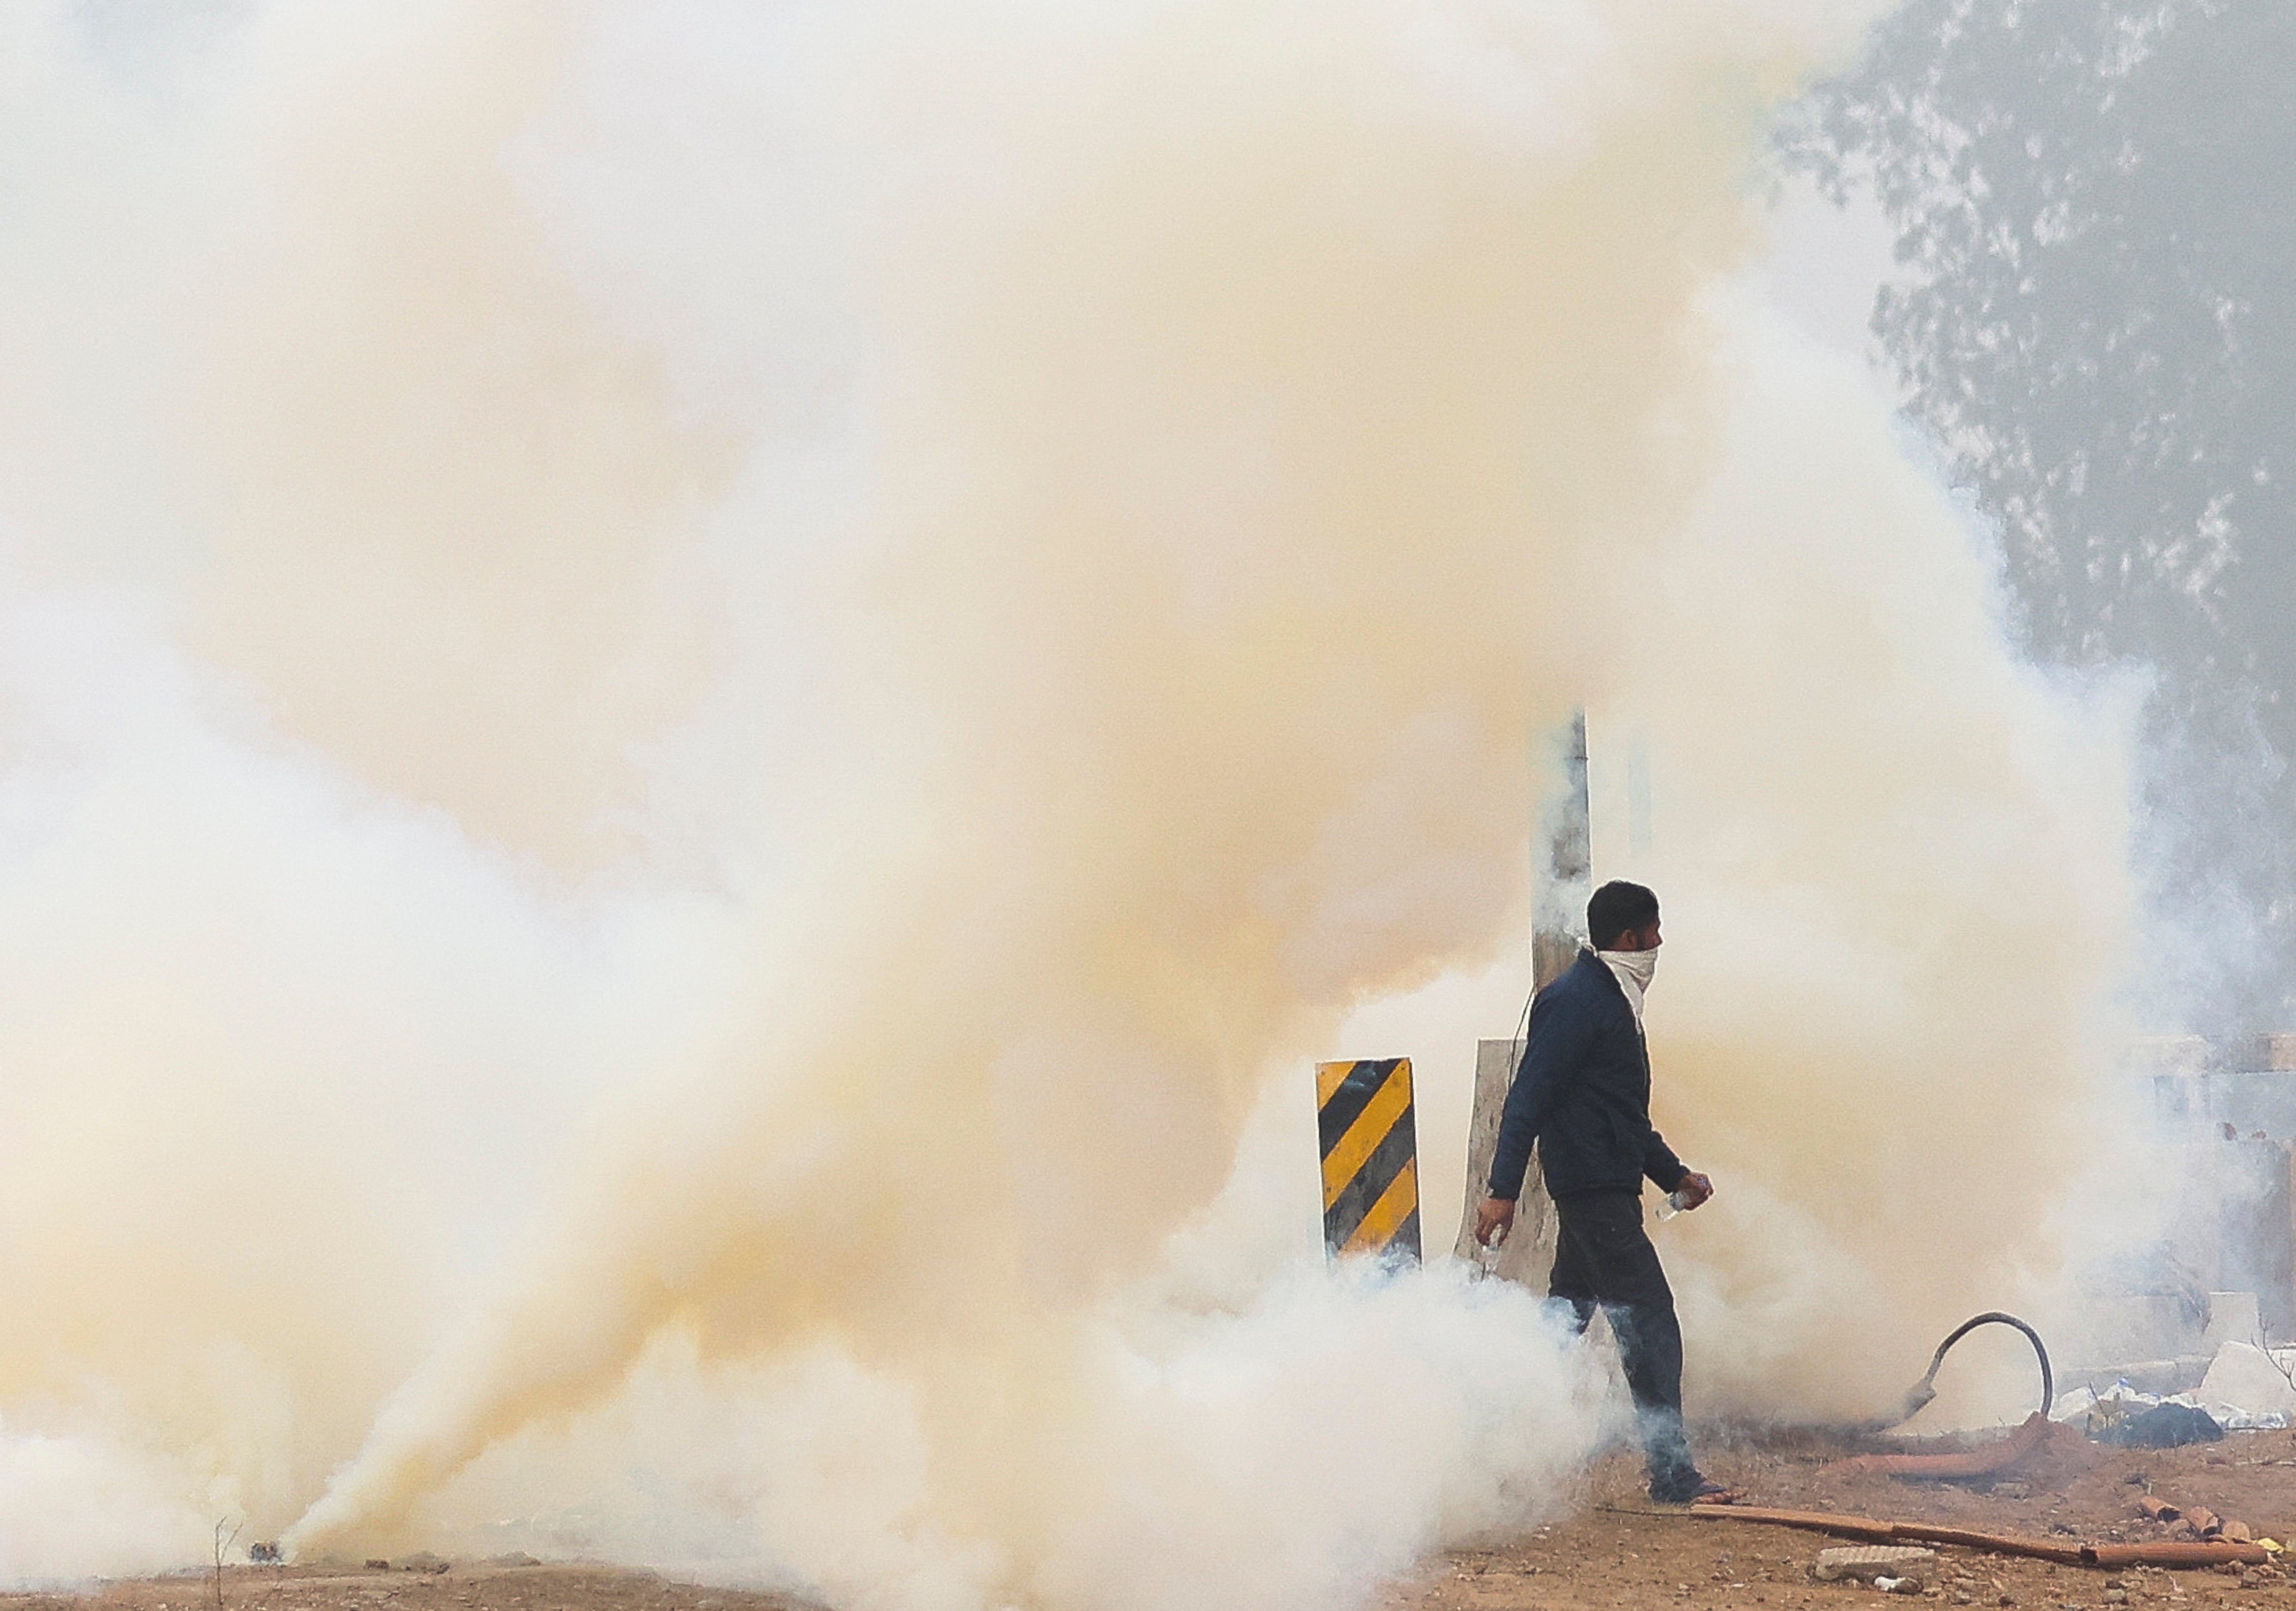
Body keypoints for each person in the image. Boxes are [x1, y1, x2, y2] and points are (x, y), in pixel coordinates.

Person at [1472, 879, 1733, 1505]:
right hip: (1591, 1194)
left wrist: (1674, 1178)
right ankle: (1672, 1476)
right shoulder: (1579, 1001)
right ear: (1629, 938)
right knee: (1651, 1322)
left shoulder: (1612, 1002)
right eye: (1654, 932)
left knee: (1560, 1326)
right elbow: (1528, 1098)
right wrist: (1502, 1190)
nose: (1660, 943)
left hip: (1601, 1187)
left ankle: (1480, 1439)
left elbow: (1620, 1115)